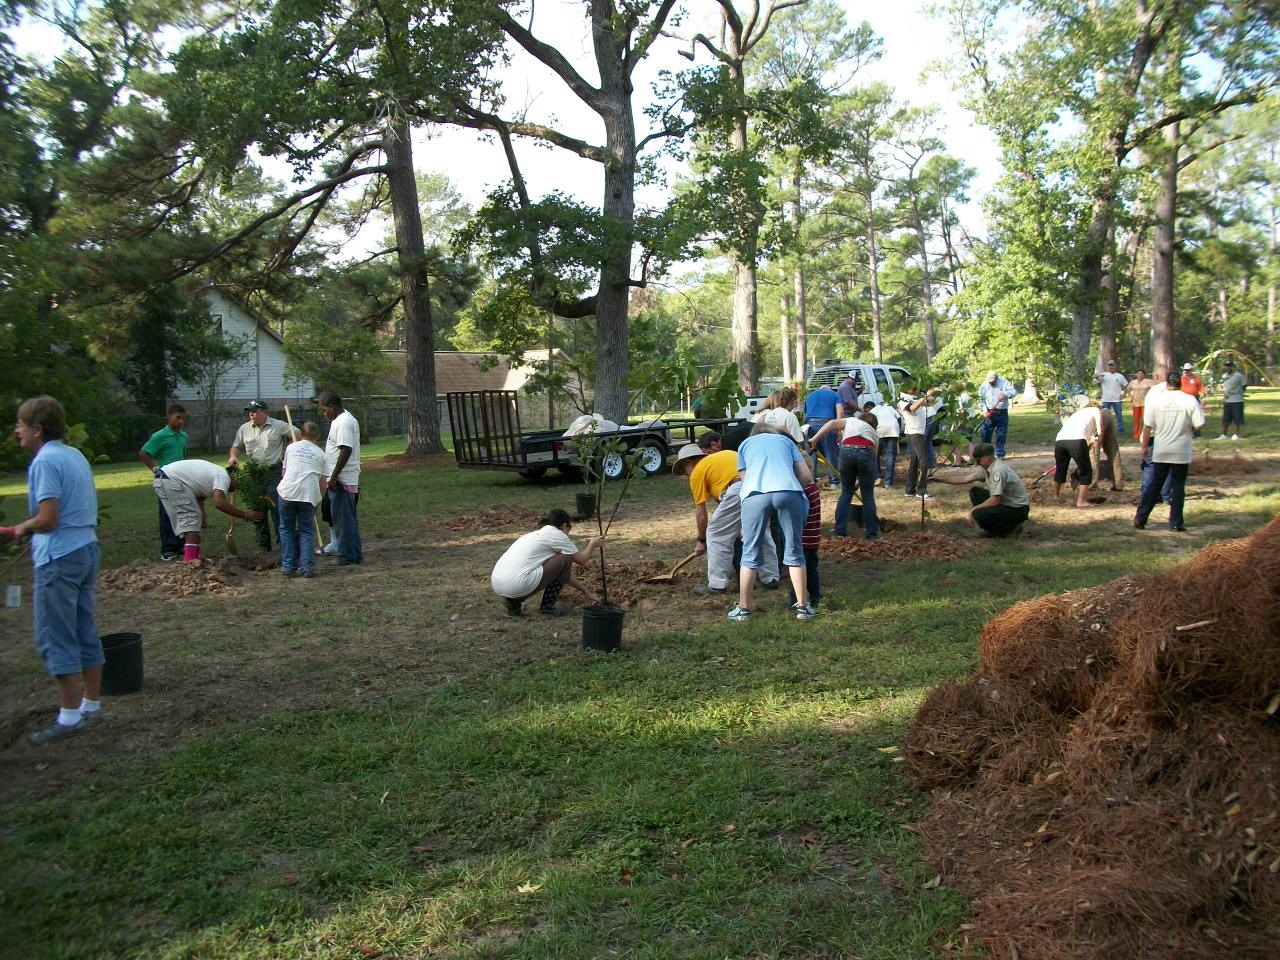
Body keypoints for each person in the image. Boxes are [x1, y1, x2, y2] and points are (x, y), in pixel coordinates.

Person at [0, 397, 105, 744]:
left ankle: (69, 717)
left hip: (59, 557)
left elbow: (48, 519)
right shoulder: (73, 455)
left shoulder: (44, 461)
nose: (17, 431)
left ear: (37, 429)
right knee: (83, 627)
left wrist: (20, 529)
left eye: (20, 424)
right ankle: (91, 705)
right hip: (86, 549)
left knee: (56, 635)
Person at [731, 425, 814, 621]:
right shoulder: (786, 442)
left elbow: (745, 480)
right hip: (788, 490)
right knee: (795, 550)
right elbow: (806, 476)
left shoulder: (744, 445)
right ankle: (803, 607)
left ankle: (743, 609)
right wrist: (790, 488)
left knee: (750, 550)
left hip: (754, 494)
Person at [673, 443, 780, 596]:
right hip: (763, 485)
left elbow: (702, 514)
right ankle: (771, 578)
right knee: (760, 532)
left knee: (716, 534)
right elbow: (730, 507)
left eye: (684, 470)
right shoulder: (724, 457)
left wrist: (701, 540)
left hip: (738, 487)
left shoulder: (698, 471)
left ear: (688, 462)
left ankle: (717, 584)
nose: (686, 475)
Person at [490, 509, 603, 616]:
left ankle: (513, 603)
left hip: (499, 583)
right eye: (569, 529)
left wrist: (585, 591)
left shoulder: (535, 535)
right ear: (564, 525)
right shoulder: (558, 535)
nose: (568, 534)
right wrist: (592, 545)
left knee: (561, 561)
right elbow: (582, 560)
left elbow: (563, 575)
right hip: (517, 583)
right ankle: (547, 607)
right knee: (566, 558)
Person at [152, 459, 264, 563]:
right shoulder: (223, 476)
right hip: (171, 480)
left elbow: (199, 495)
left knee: (192, 520)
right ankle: (190, 561)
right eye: (238, 484)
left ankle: (195, 557)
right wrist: (245, 514)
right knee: (191, 520)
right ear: (234, 477)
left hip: (163, 479)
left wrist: (202, 516)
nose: (235, 489)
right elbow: (219, 503)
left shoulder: (215, 474)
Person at [1135, 371, 1205, 532]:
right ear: (1180, 383)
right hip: (1181, 450)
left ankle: (1141, 518)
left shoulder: (1156, 400)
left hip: (1161, 449)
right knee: (1178, 486)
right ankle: (1175, 523)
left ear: (1167, 384)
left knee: (1154, 484)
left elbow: (1147, 427)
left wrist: (1144, 447)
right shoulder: (1190, 400)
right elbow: (1199, 425)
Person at [228, 400, 291, 551]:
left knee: (277, 507)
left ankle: (283, 545)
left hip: (274, 472)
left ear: (264, 411)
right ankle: (263, 547)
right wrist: (233, 457)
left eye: (254, 411)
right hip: (255, 474)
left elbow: (297, 435)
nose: (251, 413)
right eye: (249, 411)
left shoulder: (279, 425)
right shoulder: (244, 429)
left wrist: (290, 450)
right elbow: (236, 447)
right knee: (258, 509)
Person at [933, 442, 1030, 538]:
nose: (978, 464)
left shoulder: (998, 471)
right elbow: (965, 479)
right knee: (975, 492)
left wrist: (974, 510)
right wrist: (940, 478)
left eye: (979, 461)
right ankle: (994, 528)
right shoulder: (988, 466)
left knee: (978, 514)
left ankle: (1008, 530)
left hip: (1017, 509)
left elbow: (995, 500)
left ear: (986, 457)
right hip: (1006, 502)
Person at [809, 409, 880, 540]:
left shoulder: (851, 420)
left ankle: (840, 530)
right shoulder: (874, 435)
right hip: (867, 451)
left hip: (847, 450)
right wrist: (859, 482)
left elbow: (831, 423)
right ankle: (872, 532)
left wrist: (814, 439)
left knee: (846, 492)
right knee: (868, 495)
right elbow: (872, 461)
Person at [316, 391, 362, 565]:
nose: (323, 413)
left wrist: (334, 478)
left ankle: (346, 556)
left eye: (324, 409)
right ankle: (354, 554)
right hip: (342, 478)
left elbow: (346, 450)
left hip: (342, 480)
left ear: (332, 406)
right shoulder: (340, 420)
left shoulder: (343, 422)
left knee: (343, 521)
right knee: (347, 520)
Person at [138, 403, 188, 561]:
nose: (180, 421)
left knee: (181, 513)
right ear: (169, 416)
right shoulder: (160, 436)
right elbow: (144, 452)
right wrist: (155, 469)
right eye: (177, 418)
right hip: (166, 479)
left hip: (181, 479)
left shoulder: (183, 436)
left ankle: (180, 545)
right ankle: (168, 549)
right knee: (167, 514)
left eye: (183, 418)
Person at [277, 421, 326, 577]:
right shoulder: (321, 454)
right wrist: (318, 500)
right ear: (317, 436)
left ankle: (288, 566)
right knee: (306, 530)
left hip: (287, 492)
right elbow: (323, 483)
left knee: (286, 528)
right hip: (308, 495)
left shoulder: (291, 448)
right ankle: (307, 567)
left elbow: (284, 473)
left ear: (301, 435)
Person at [1052, 403, 1103, 508]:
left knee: (1061, 469)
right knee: (1086, 471)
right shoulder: (1096, 410)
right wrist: (1099, 437)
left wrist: (1091, 439)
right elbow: (1100, 429)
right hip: (1077, 441)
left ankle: (1056, 496)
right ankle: (1081, 502)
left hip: (1060, 440)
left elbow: (1088, 436)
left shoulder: (1078, 414)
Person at [898, 386, 937, 501]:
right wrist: (925, 396)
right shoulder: (903, 399)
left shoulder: (913, 398)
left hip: (919, 431)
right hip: (914, 432)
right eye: (916, 389)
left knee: (915, 462)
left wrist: (930, 395)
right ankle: (922, 491)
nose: (918, 391)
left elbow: (927, 402)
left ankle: (909, 490)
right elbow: (912, 408)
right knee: (924, 461)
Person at [803, 381, 841, 486]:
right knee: (830, 454)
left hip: (809, 425)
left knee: (811, 455)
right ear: (829, 389)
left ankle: (811, 482)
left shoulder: (810, 396)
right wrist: (838, 430)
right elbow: (840, 412)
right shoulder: (835, 394)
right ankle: (834, 482)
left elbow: (805, 415)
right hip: (827, 424)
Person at [978, 370, 1016, 457]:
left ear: (996, 378)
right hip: (989, 412)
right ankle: (986, 452)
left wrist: (1005, 394)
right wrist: (984, 410)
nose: (991, 383)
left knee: (1001, 433)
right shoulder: (984, 385)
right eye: (989, 381)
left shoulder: (1004, 382)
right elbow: (981, 399)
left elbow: (1013, 392)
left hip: (1002, 412)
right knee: (986, 432)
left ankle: (1000, 453)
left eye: (993, 381)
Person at [869, 396, 900, 487]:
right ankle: (888, 482)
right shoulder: (891, 408)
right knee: (890, 456)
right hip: (893, 430)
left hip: (880, 430)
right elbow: (899, 418)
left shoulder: (874, 409)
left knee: (875, 454)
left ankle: (877, 476)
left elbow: (870, 421)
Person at [1095, 360, 1130, 435]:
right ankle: (1103, 432)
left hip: (1117, 400)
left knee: (1119, 416)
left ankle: (1121, 431)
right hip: (1106, 400)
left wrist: (1123, 394)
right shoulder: (1104, 375)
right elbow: (1095, 377)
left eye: (1112, 365)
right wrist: (1096, 375)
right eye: (1109, 365)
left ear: (1115, 366)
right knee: (1104, 417)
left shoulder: (1120, 376)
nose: (1111, 367)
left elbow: (1126, 385)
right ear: (1107, 367)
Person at [1217, 359, 1246, 441]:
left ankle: (1236, 435)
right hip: (1227, 401)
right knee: (1226, 419)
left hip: (1237, 400)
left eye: (1229, 366)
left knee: (1237, 419)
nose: (1228, 368)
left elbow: (1244, 386)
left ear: (1233, 367)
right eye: (1226, 366)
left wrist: (1239, 392)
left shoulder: (1238, 375)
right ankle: (1224, 435)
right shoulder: (1224, 376)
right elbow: (1223, 386)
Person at [1127, 368, 1155, 440]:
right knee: (1136, 420)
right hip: (1135, 403)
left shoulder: (1148, 381)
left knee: (1146, 419)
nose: (1140, 375)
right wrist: (1131, 397)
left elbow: (1154, 389)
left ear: (1144, 375)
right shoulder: (1133, 382)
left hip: (1145, 403)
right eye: (1138, 373)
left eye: (1141, 374)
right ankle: (1136, 434)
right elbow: (1128, 389)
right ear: (1136, 375)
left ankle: (1145, 434)